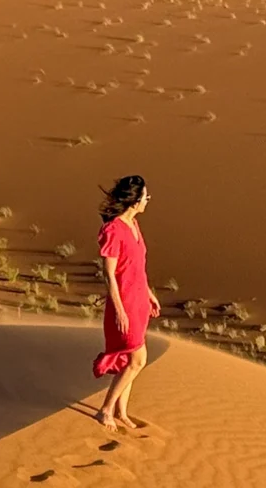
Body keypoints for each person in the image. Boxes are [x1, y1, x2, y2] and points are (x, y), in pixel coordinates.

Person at [92, 175, 161, 430]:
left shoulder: (133, 225)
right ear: (134, 201)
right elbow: (109, 273)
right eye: (145, 197)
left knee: (130, 362)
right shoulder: (113, 230)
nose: (147, 201)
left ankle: (121, 412)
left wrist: (149, 293)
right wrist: (119, 310)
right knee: (138, 360)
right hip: (124, 304)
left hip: (139, 299)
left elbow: (137, 267)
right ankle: (106, 409)